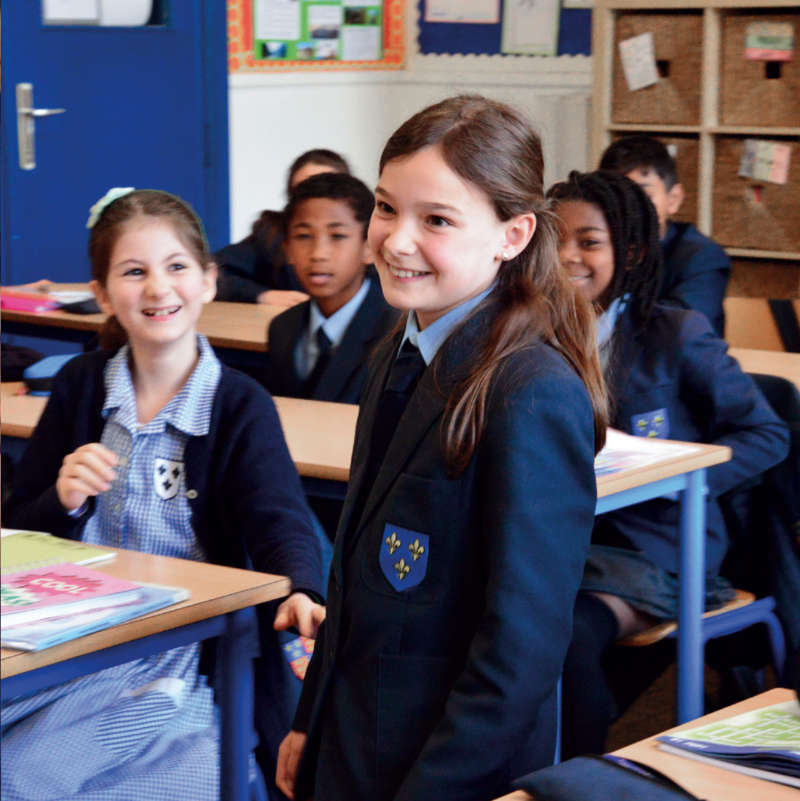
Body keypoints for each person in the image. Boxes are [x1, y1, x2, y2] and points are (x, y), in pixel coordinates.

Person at [275, 94, 607, 801]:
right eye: (388, 207)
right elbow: (352, 576)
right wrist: (312, 719)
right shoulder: (397, 347)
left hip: (446, 766)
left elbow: (519, 652)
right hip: (358, 734)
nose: (395, 240)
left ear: (512, 235)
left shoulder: (530, 391)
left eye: (437, 221)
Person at [2, 188, 326, 801]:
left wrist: (303, 588)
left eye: (176, 267)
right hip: (67, 643)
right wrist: (62, 500)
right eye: (133, 272)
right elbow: (18, 522)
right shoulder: (79, 386)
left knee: (35, 779)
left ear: (207, 282)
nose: (158, 289)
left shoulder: (237, 404)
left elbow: (279, 519)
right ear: (101, 293)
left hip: (176, 661)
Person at [547, 169, 789, 758]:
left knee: (567, 635)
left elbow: (767, 431)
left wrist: (684, 478)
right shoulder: (532, 332)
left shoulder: (673, 331)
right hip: (562, 537)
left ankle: (573, 783)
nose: (567, 257)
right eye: (554, 239)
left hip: (657, 545)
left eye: (588, 241)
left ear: (628, 251)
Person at [265, 172, 398, 403]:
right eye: (304, 236)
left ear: (369, 247)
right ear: (287, 248)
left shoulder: (395, 333)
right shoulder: (282, 328)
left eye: (337, 236)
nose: (318, 254)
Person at [599, 135, 731, 337]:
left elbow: (678, 329)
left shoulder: (702, 257)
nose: (628, 207)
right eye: (616, 196)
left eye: (643, 196)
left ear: (673, 199)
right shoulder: (594, 248)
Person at [215, 149, 351, 307]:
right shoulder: (272, 233)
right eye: (303, 191)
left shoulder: (367, 235)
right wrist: (263, 295)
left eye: (326, 190)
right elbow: (213, 272)